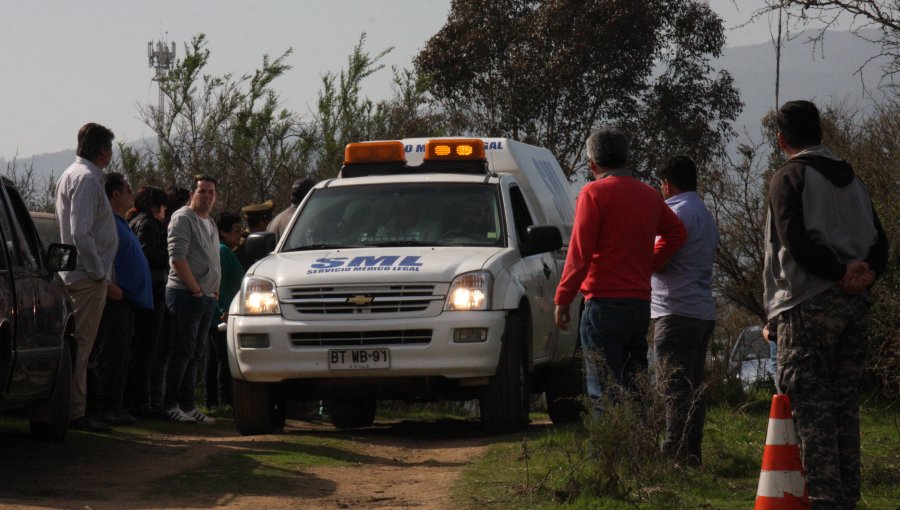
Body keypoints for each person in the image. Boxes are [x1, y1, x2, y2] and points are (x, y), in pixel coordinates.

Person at [764, 100, 888, 509]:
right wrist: (863, 272)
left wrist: (837, 274)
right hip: (855, 308)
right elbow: (881, 243)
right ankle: (848, 498)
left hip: (807, 305)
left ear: (782, 140)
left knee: (810, 413)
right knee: (844, 409)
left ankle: (823, 501)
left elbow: (795, 243)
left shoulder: (789, 177)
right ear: (823, 133)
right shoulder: (854, 182)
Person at [554, 127, 686, 413]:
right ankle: (641, 448)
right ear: (627, 158)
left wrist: (563, 298)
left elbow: (579, 254)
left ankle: (608, 455)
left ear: (592, 164)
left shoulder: (592, 193)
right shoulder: (649, 195)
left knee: (603, 388)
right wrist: (647, 262)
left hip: (602, 302)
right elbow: (676, 232)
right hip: (639, 303)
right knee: (636, 383)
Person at [650, 156, 719, 467]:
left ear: (668, 184)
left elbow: (658, 260)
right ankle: (692, 453)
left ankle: (672, 454)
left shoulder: (674, 215)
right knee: (694, 387)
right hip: (701, 310)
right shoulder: (704, 214)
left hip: (674, 309)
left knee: (673, 388)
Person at [55, 123, 119, 432]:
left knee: (79, 344)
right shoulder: (87, 180)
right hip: (85, 276)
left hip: (79, 274)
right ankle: (74, 411)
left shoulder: (73, 174)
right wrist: (98, 272)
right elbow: (81, 232)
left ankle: (73, 408)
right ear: (104, 151)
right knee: (80, 344)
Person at [91, 173, 153, 426]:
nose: (132, 194)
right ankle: (104, 407)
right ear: (115, 194)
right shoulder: (107, 223)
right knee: (111, 354)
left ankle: (114, 406)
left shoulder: (120, 222)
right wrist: (108, 285)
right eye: (128, 189)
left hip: (127, 300)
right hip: (115, 298)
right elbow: (102, 256)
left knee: (122, 354)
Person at [164, 175, 222, 424]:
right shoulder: (183, 218)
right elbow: (178, 257)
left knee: (195, 352)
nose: (207, 196)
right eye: (202, 191)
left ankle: (188, 406)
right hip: (186, 294)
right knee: (182, 351)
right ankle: (171, 404)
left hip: (206, 297)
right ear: (192, 193)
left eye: (211, 192)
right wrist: (196, 289)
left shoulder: (210, 222)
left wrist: (212, 290)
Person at [125, 185, 170, 418]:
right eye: (163, 207)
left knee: (139, 350)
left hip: (142, 292)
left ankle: (137, 401)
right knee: (146, 351)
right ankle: (142, 403)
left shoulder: (133, 221)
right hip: (151, 293)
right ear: (155, 207)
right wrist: (168, 255)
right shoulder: (149, 224)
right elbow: (148, 253)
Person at [205, 212, 245, 409]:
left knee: (214, 358)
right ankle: (223, 399)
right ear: (223, 231)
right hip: (222, 314)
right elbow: (218, 283)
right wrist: (224, 308)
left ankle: (213, 400)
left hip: (220, 312)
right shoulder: (222, 251)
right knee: (222, 358)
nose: (239, 235)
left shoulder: (224, 250)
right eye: (236, 231)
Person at [236, 199, 274, 269]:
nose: (270, 223)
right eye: (269, 220)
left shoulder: (249, 240)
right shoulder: (244, 244)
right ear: (261, 223)